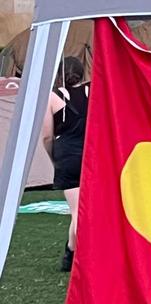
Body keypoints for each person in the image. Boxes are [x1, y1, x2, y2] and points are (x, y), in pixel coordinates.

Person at [42, 57, 89, 272]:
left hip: (67, 156)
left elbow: (47, 137)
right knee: (90, 211)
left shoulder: (52, 96)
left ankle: (74, 254)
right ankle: (72, 253)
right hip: (92, 153)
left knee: (77, 212)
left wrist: (54, 159)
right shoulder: (93, 91)